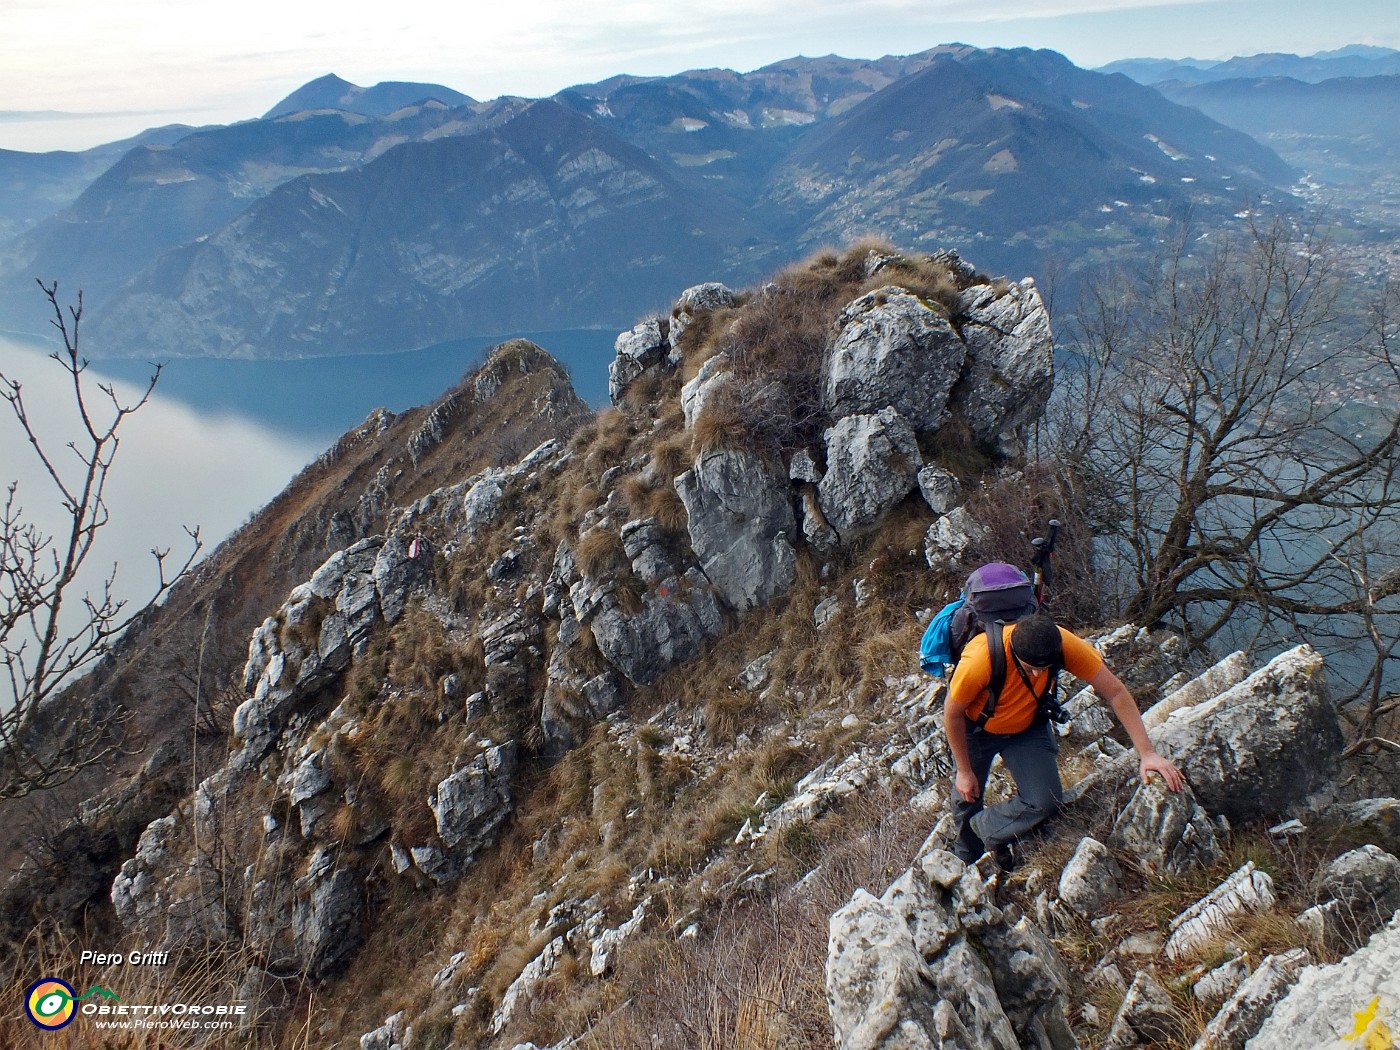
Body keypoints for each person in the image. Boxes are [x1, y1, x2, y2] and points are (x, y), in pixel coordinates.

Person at [944, 614, 1184, 866]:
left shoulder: (1064, 646)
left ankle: (985, 831)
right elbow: (952, 714)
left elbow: (1116, 692)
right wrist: (963, 770)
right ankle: (967, 857)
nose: (1037, 675)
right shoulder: (982, 659)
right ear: (1013, 652)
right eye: (1029, 669)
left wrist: (1147, 753)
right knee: (967, 794)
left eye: (1044, 668)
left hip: (1026, 726)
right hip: (977, 728)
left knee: (1045, 801)